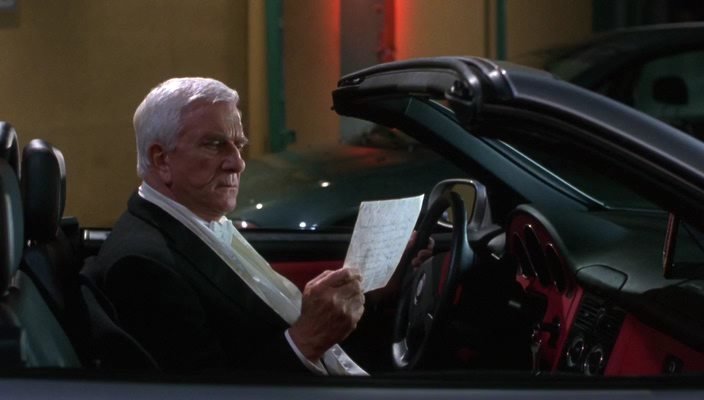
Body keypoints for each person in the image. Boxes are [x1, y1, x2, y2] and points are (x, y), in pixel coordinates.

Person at [89, 77, 429, 375]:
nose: (237, 163)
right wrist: (307, 339)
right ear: (162, 159)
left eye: (238, 145)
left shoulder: (198, 222)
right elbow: (206, 393)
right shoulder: (142, 264)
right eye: (214, 144)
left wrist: (371, 293)